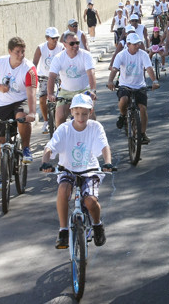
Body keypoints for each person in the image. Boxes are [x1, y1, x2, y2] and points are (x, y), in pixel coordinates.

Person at [40, 93, 113, 249]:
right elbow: (50, 147)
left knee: (90, 201)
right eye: (77, 113)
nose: (81, 117)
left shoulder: (95, 127)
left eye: (85, 114)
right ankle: (63, 231)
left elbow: (104, 146)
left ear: (90, 112)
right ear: (71, 112)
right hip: (68, 169)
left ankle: (97, 225)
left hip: (90, 170)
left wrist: (108, 162)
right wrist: (45, 162)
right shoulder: (64, 129)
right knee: (63, 190)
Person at [0, 37, 37, 189]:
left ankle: (26, 148)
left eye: (23, 52)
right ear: (9, 52)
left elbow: (31, 92)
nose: (21, 55)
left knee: (21, 117)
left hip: (21, 100)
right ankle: (3, 175)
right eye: (17, 52)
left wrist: (32, 112)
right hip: (2, 103)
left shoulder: (29, 69)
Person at [107, 33, 160, 144]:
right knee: (124, 100)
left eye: (138, 44)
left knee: (143, 109)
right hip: (125, 85)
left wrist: (154, 80)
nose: (137, 46)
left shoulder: (143, 54)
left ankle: (142, 133)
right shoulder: (121, 55)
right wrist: (110, 81)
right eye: (135, 44)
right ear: (128, 44)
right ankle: (122, 115)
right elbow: (115, 69)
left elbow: (149, 68)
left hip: (140, 85)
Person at [48, 31, 97, 128]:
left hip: (84, 90)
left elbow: (91, 74)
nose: (75, 46)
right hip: (66, 92)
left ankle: (91, 137)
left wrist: (92, 90)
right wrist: (50, 94)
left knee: (91, 118)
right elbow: (52, 77)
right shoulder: (58, 58)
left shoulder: (86, 55)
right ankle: (61, 140)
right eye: (72, 43)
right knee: (59, 117)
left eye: (77, 43)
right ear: (65, 44)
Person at [33, 27, 64, 134]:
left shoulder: (61, 48)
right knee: (42, 99)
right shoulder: (41, 48)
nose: (55, 40)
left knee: (60, 97)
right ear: (47, 38)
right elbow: (34, 64)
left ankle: (60, 117)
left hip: (58, 76)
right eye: (53, 38)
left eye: (57, 38)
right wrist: (33, 77)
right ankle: (46, 121)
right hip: (44, 76)